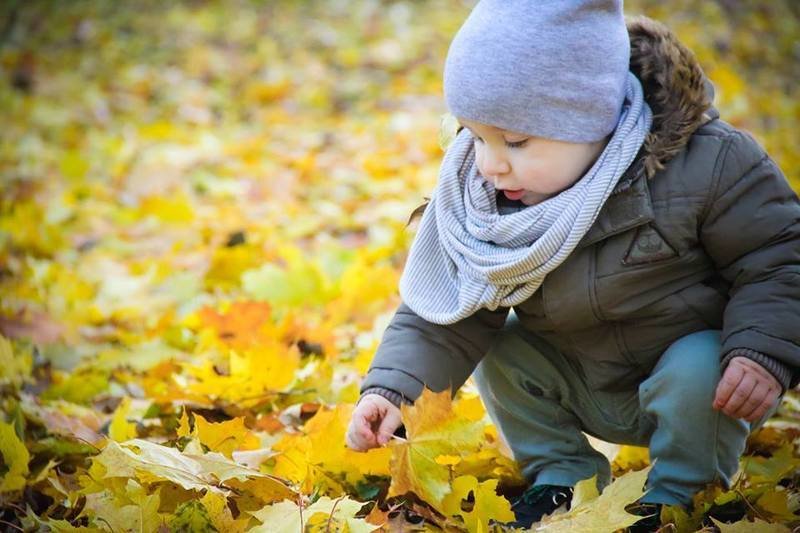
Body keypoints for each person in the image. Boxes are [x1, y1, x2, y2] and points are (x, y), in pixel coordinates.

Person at [345, 1, 800, 531]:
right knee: (505, 345)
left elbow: (779, 258)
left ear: (590, 117)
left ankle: (678, 495)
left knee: (700, 359)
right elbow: (446, 311)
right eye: (474, 135)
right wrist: (393, 390)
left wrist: (763, 352)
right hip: (581, 375)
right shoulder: (487, 197)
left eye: (515, 141)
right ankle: (561, 476)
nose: (491, 163)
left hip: (693, 384)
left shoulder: (708, 164)